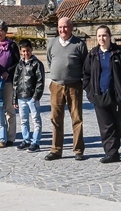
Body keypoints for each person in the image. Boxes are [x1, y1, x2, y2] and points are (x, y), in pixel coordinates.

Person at [83, 25, 121, 163]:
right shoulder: (93, 54)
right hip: (99, 95)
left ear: (109, 36)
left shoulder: (118, 52)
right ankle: (111, 153)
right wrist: (89, 91)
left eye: (104, 35)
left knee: (117, 125)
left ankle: (114, 150)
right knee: (106, 126)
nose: (101, 38)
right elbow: (86, 74)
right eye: (99, 36)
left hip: (117, 96)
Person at [45, 17, 88, 161]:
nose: (62, 30)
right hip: (56, 86)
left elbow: (85, 65)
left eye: (65, 27)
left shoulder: (79, 44)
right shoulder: (52, 43)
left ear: (71, 27)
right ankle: (56, 150)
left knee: (77, 118)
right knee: (56, 118)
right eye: (60, 27)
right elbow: (50, 61)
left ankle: (78, 150)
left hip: (74, 85)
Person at [13, 38, 45, 152]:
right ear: (21, 52)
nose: (26, 53)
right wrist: (14, 99)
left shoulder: (37, 64)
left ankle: (35, 142)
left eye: (28, 50)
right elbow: (15, 82)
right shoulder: (19, 65)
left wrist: (36, 96)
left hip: (32, 96)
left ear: (31, 50)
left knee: (36, 120)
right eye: (23, 51)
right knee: (24, 120)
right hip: (21, 97)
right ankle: (26, 140)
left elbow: (40, 81)